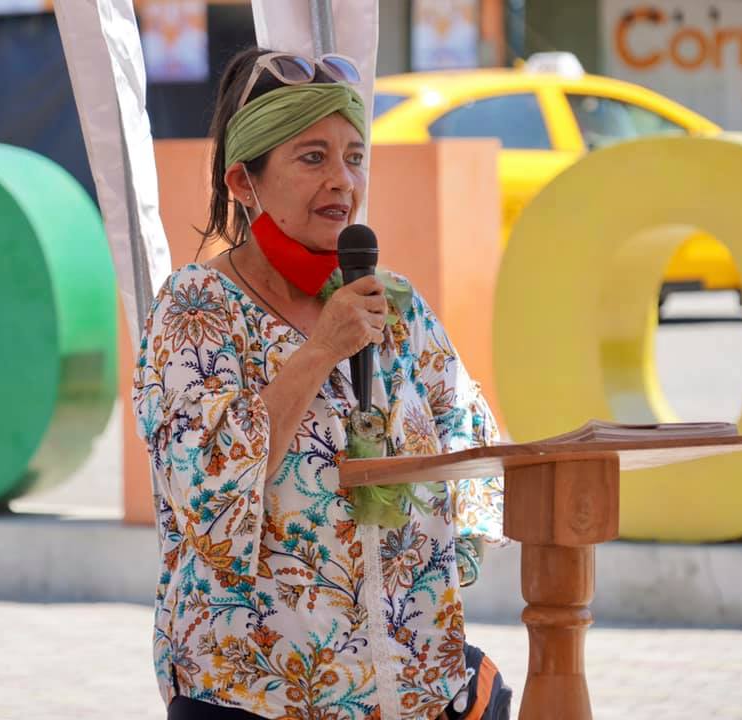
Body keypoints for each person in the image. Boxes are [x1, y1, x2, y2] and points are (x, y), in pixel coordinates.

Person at [133, 48, 508, 720]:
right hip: (253, 694)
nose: (343, 180)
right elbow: (206, 490)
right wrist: (322, 350)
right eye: (313, 158)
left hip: (409, 688)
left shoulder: (394, 302)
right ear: (244, 182)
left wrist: (452, 552)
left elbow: (469, 433)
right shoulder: (196, 308)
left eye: (354, 157)